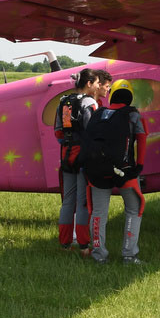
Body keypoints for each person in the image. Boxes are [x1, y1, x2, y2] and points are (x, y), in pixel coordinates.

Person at [82, 83, 149, 264]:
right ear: (129, 98)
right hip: (124, 170)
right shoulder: (132, 114)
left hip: (97, 170)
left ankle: (99, 255)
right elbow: (142, 138)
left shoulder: (98, 113)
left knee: (98, 212)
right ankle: (129, 254)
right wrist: (139, 165)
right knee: (134, 208)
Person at [54, 68, 102, 250]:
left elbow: (59, 133)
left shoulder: (64, 102)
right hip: (84, 157)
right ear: (89, 84)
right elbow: (93, 132)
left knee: (68, 201)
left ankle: (64, 243)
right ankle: (83, 244)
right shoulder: (90, 103)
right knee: (82, 202)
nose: (98, 86)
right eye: (97, 83)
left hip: (66, 156)